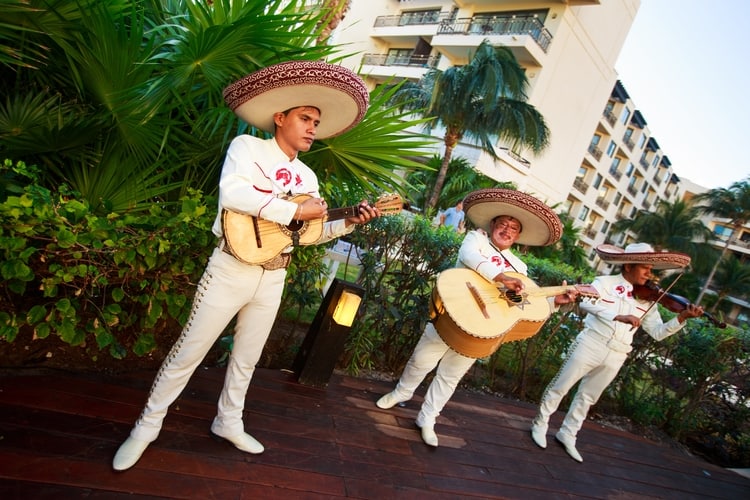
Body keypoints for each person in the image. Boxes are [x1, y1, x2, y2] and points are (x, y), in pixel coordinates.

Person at [112, 60, 380, 471]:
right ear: (280, 118)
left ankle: (228, 421)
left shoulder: (307, 176)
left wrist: (345, 224)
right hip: (230, 269)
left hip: (274, 275)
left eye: (316, 122)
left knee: (247, 358)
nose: (312, 127)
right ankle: (146, 427)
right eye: (305, 118)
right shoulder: (247, 149)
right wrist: (291, 212)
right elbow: (234, 195)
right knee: (189, 351)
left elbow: (307, 234)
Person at [376, 188, 578, 447]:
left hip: (483, 325)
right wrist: (501, 276)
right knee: (421, 360)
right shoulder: (476, 239)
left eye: (513, 228)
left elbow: (523, 303)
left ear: (518, 236)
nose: (507, 230)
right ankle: (401, 393)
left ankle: (428, 418)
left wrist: (553, 302)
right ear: (493, 225)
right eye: (503, 224)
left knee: (451, 375)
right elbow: (468, 257)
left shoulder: (520, 267)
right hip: (453, 311)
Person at [529, 242, 704, 463]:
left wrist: (681, 318)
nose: (650, 274)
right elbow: (585, 303)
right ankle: (540, 423)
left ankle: (568, 433)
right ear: (629, 266)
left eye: (651, 269)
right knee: (561, 385)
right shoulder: (605, 283)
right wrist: (617, 316)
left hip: (618, 352)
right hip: (592, 342)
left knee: (588, 397)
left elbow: (658, 333)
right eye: (645, 268)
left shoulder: (649, 297)